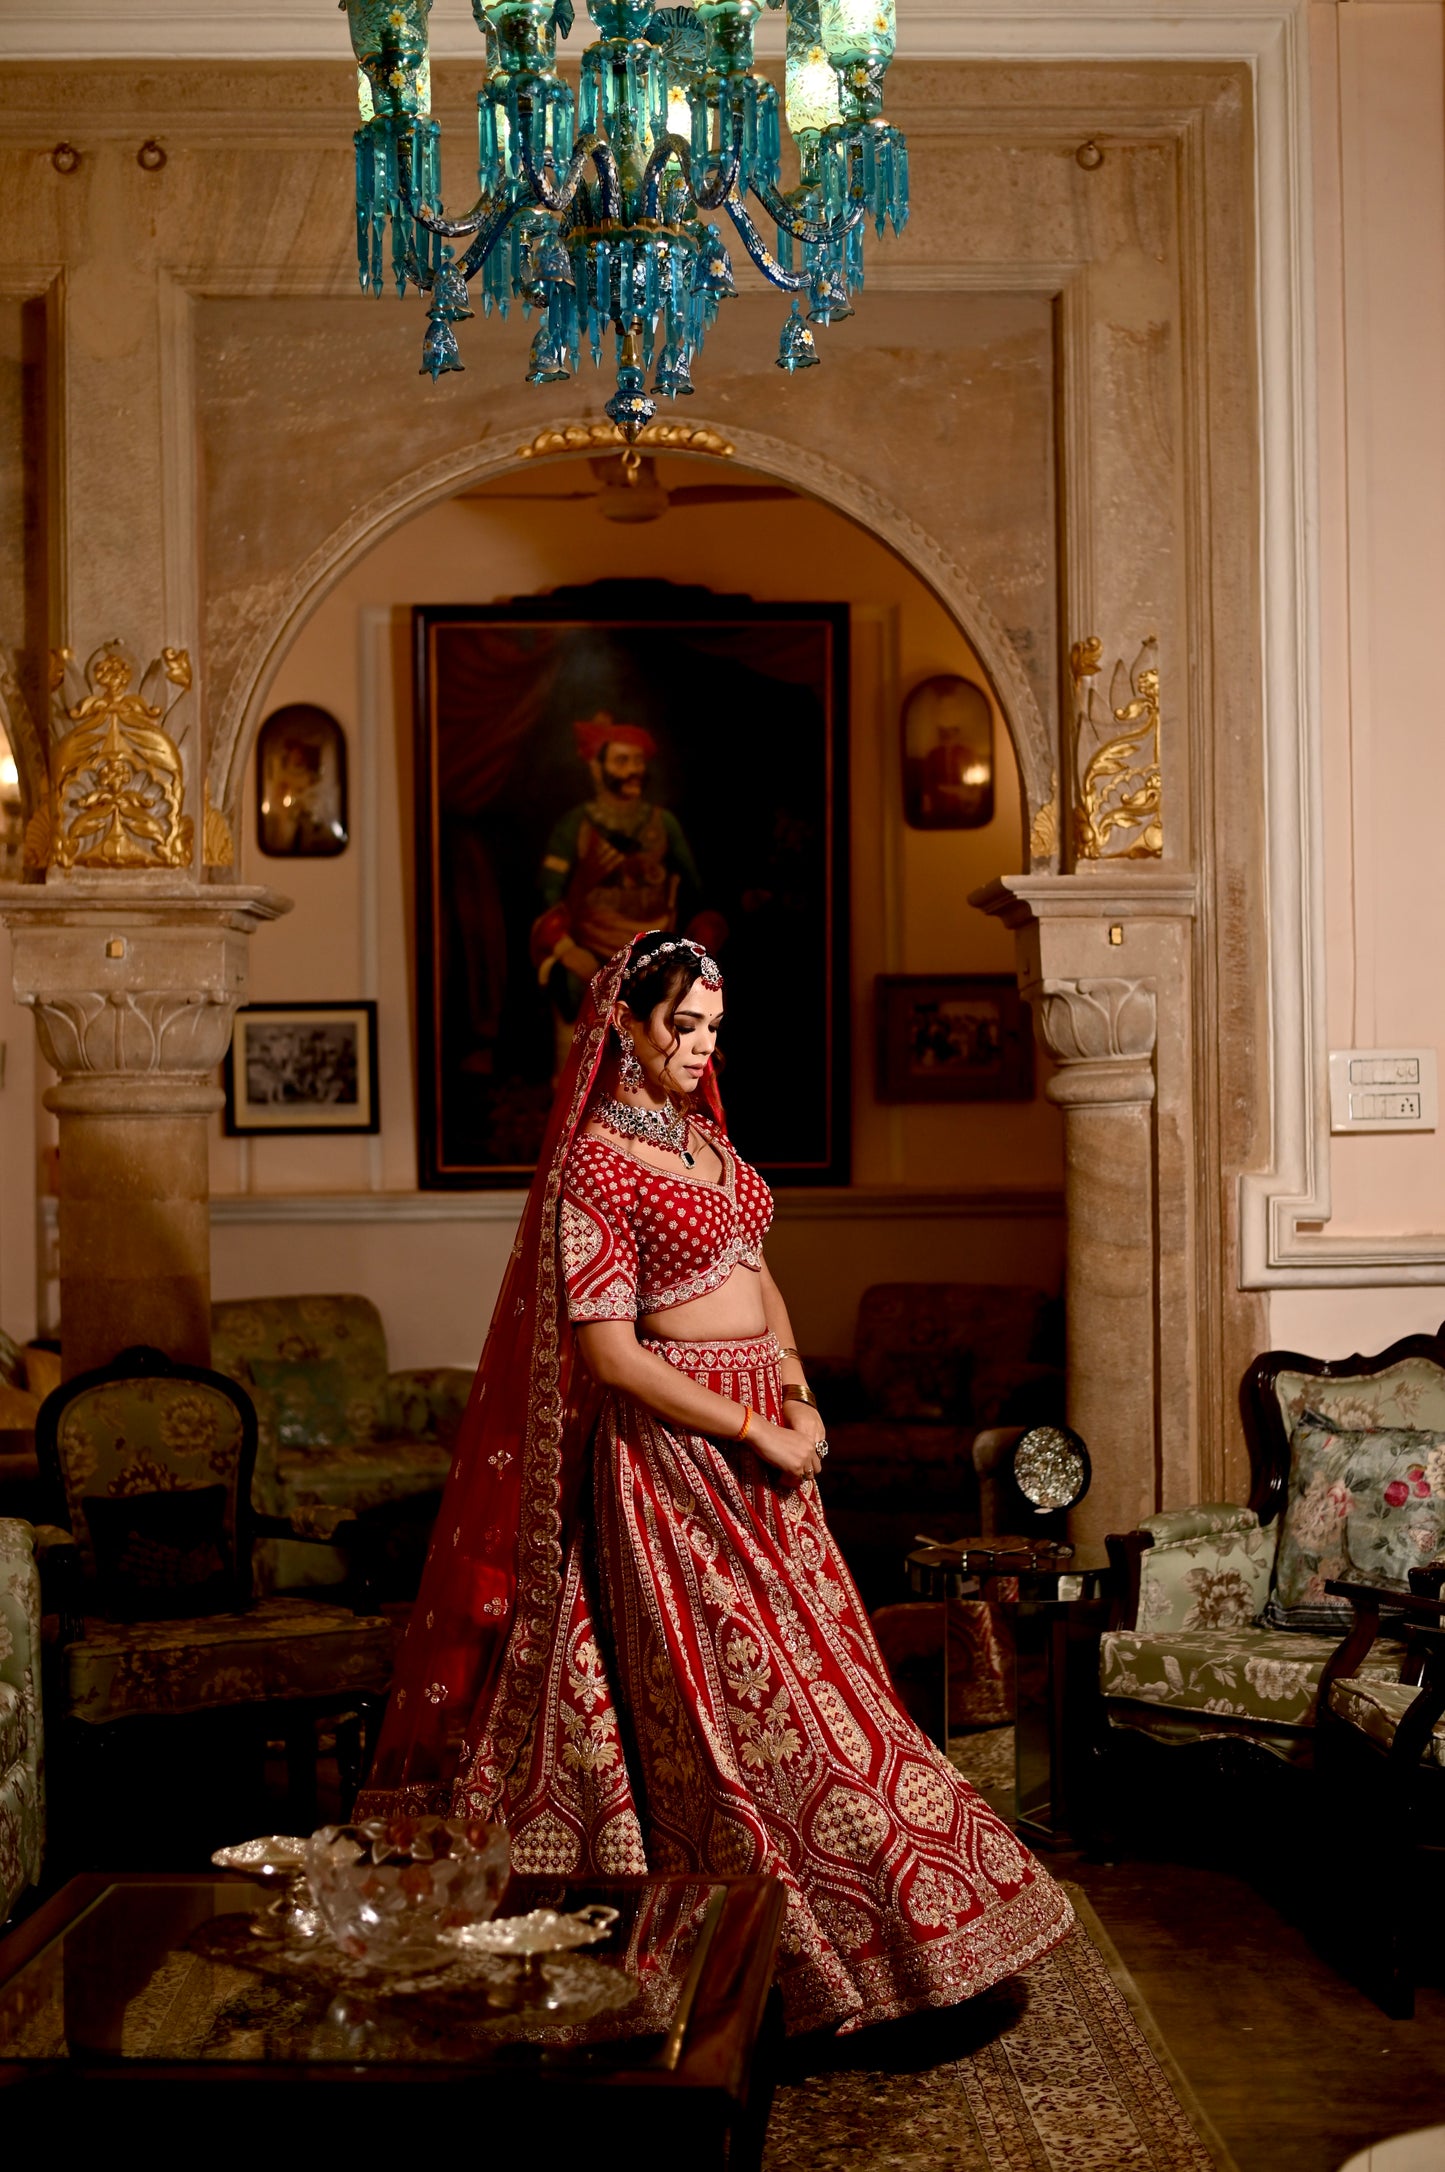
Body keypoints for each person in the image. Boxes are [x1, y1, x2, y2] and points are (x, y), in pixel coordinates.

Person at [360, 930, 1073, 2035]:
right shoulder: (596, 1158)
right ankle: (785, 1962)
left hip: (765, 1449)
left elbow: (756, 1273)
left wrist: (794, 1397)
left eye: (711, 1030)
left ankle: (900, 1932)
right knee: (754, 1707)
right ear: (623, 1027)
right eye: (680, 1027)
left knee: (830, 1683)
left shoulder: (702, 1143)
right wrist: (752, 1425)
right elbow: (609, 1354)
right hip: (673, 1459)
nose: (700, 1049)